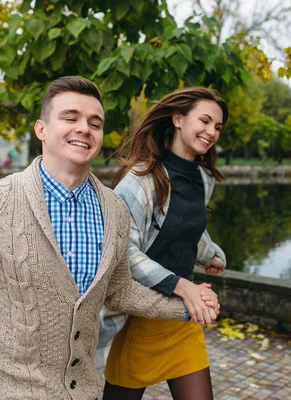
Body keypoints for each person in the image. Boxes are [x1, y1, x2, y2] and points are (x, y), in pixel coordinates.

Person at [0, 76, 219, 400]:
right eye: (70, 118)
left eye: (94, 122)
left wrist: (184, 308)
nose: (84, 128)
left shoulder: (113, 210)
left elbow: (119, 290)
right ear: (41, 129)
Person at [102, 87, 228, 400]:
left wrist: (211, 254)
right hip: (138, 318)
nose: (212, 132)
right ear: (177, 119)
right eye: (205, 121)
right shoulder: (139, 180)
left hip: (181, 317)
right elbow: (124, 253)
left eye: (218, 127)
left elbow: (186, 227)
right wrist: (184, 286)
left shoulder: (204, 179)